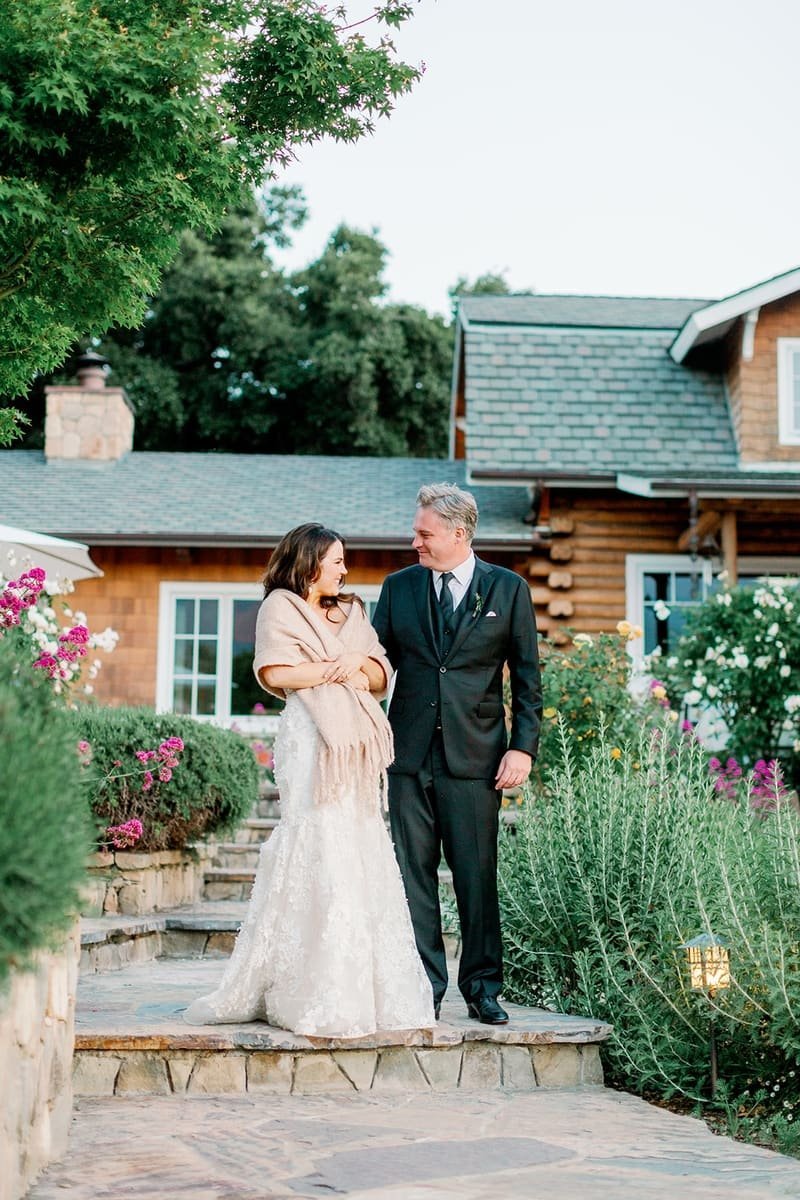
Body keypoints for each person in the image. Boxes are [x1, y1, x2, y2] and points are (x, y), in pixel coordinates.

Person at [184, 523, 434, 1037]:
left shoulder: (355, 611)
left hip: (355, 743)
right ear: (310, 561)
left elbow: (380, 674)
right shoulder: (280, 606)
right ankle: (306, 985)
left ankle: (365, 989)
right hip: (309, 737)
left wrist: (349, 667)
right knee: (316, 833)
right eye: (337, 560)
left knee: (357, 840)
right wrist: (339, 668)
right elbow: (276, 674)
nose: (345, 569)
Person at [373, 483, 542, 1025]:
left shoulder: (508, 589)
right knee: (412, 875)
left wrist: (523, 749)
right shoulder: (398, 588)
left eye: (424, 533)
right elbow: (377, 667)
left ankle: (482, 987)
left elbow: (529, 681)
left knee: (475, 875)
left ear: (458, 533)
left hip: (478, 760)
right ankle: (424, 987)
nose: (415, 542)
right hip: (408, 756)